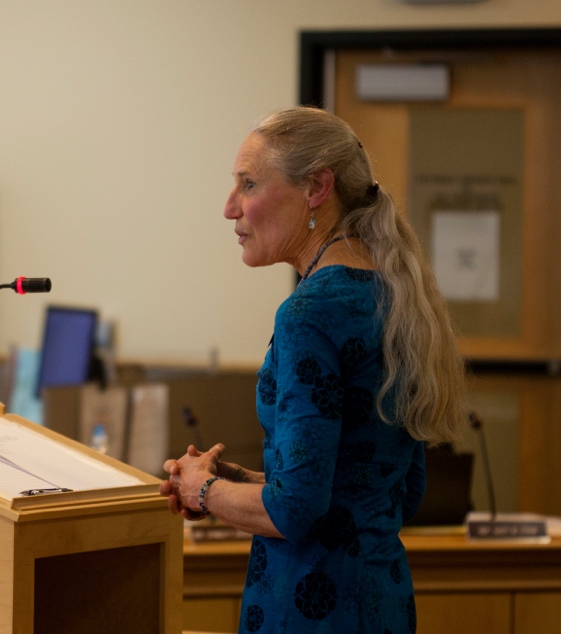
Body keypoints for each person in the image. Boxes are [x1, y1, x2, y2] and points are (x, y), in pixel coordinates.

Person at [160, 107, 465, 634]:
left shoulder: (309, 312)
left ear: (316, 188)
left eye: (248, 184)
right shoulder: (395, 295)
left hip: (308, 608)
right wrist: (237, 483)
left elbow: (295, 510)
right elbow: (392, 490)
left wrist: (199, 491)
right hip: (383, 600)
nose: (230, 206)